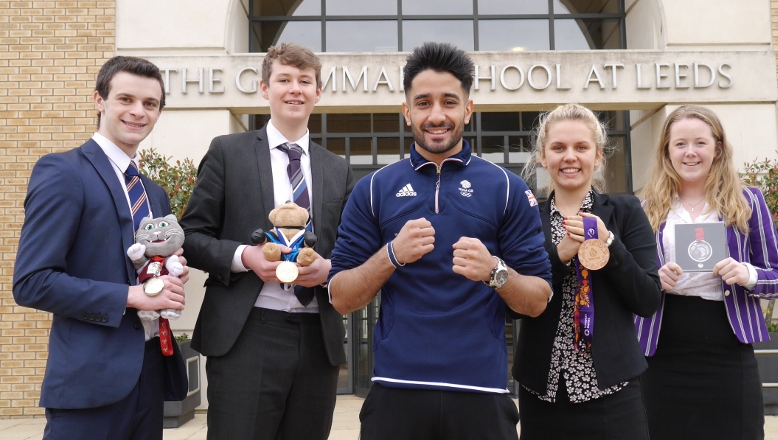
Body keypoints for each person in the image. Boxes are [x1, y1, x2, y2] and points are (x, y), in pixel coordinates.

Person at [328, 41, 553, 440]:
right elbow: (341, 296)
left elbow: (537, 299)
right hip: (395, 388)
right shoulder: (374, 189)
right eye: (423, 102)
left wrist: (495, 271)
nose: (436, 115)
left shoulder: (506, 188)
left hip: (481, 389)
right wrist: (392, 254)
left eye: (449, 102)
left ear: (468, 109)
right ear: (406, 111)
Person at [180, 42, 354, 440]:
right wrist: (245, 257)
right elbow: (191, 236)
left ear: (318, 93)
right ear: (264, 88)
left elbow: (349, 248)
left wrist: (330, 270)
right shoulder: (228, 152)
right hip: (247, 334)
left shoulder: (337, 168)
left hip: (317, 338)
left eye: (304, 81)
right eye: (284, 80)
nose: (295, 89)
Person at [13, 56, 189, 439]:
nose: (138, 112)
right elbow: (32, 282)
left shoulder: (154, 194)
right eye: (125, 99)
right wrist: (132, 295)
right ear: (99, 101)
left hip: (149, 373)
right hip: (89, 383)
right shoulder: (63, 172)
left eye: (150, 104)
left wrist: (166, 278)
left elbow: (141, 270)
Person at [634, 105, 778, 440]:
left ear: (717, 148)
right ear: (667, 151)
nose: (690, 152)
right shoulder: (645, 209)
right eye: (680, 144)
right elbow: (630, 286)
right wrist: (652, 280)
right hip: (661, 349)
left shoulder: (749, 201)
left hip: (727, 347)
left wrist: (746, 273)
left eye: (700, 143)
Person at [511, 104, 661, 439]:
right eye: (559, 148)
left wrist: (608, 244)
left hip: (613, 390)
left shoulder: (624, 211)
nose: (570, 157)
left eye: (581, 148)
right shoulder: (527, 218)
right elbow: (512, 304)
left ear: (598, 158)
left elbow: (648, 300)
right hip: (543, 391)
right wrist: (560, 255)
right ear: (542, 157)